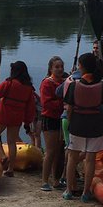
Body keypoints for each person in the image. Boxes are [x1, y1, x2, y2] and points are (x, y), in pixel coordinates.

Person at [62, 52, 103, 202]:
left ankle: (68, 190)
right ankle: (86, 193)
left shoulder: (74, 85)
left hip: (77, 125)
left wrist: (69, 122)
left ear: (81, 67)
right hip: (95, 126)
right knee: (90, 159)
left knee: (72, 158)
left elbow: (68, 108)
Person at [39, 56, 67, 192]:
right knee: (50, 151)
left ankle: (56, 180)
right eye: (57, 67)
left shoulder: (65, 82)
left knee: (60, 151)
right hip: (50, 119)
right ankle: (44, 180)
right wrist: (63, 104)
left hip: (62, 119)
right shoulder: (47, 83)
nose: (60, 69)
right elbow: (46, 103)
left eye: (61, 66)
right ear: (51, 68)